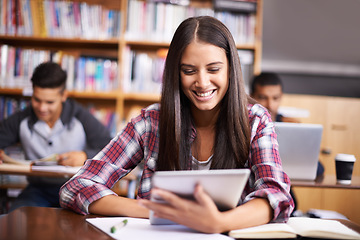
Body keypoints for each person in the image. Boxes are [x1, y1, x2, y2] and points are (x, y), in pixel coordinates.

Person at [60, 16, 293, 233]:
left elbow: (276, 195)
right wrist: (152, 209)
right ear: (176, 73)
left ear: (231, 70)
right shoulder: (151, 122)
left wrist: (218, 222)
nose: (202, 82)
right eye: (189, 71)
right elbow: (77, 186)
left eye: (213, 69)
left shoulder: (255, 120)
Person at [0, 61, 112, 211]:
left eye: (50, 102)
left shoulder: (80, 116)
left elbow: (111, 148)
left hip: (76, 190)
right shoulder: (22, 119)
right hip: (37, 190)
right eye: (37, 100)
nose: (42, 108)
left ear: (63, 96)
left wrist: (85, 156)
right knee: (14, 220)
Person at [250, 72, 324, 215]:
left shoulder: (292, 126)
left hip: (283, 194)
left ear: (281, 97)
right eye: (263, 98)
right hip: (251, 190)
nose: (270, 105)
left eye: (275, 98)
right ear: (252, 96)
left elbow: (318, 169)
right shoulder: (246, 124)